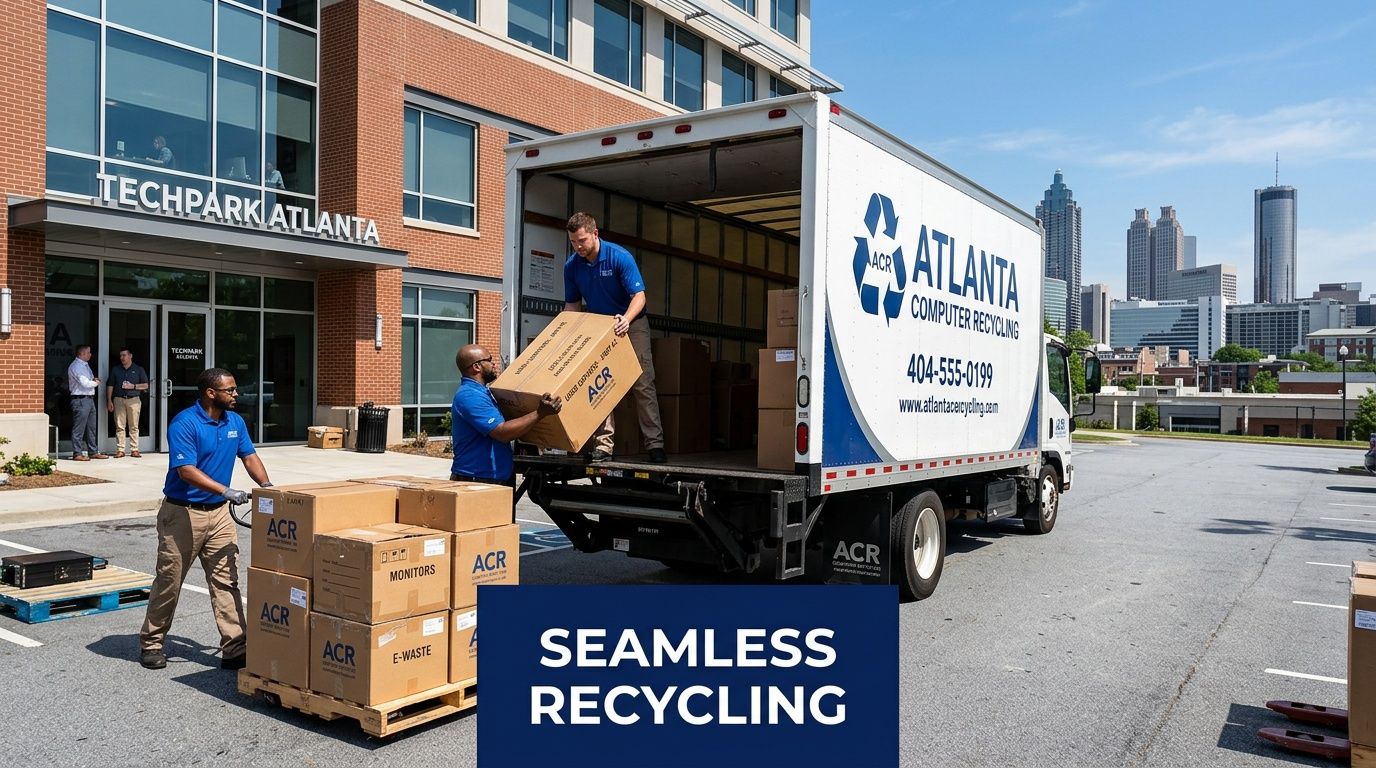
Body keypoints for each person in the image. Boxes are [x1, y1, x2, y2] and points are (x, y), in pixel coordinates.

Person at [138, 367, 272, 671]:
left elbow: (249, 456)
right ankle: (152, 642)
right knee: (170, 581)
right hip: (182, 514)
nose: (236, 394)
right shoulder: (185, 423)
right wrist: (226, 490)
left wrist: (268, 488)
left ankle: (235, 647)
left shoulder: (234, 422)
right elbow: (186, 471)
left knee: (227, 580)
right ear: (211, 393)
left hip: (220, 515)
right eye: (231, 390)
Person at [564, 212, 666, 463]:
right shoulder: (572, 266)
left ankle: (655, 444)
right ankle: (604, 446)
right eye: (574, 242)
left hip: (632, 324)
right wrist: (565, 335)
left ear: (595, 234)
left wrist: (626, 319)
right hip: (599, 328)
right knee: (601, 385)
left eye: (582, 240)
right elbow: (572, 305)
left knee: (643, 383)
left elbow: (639, 296)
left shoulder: (619, 257)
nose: (578, 247)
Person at [450, 343, 560, 485]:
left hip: (491, 476)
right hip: (477, 479)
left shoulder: (483, 392)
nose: (494, 363)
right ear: (476, 367)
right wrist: (540, 413)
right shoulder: (470, 396)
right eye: (489, 360)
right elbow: (501, 433)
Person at [66, 344, 107, 461]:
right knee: (79, 428)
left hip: (88, 399)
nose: (90, 354)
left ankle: (93, 451)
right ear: (82, 353)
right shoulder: (76, 366)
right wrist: (96, 382)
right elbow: (85, 383)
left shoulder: (85, 366)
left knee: (91, 427)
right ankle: (77, 453)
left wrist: (92, 381)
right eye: (88, 352)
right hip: (80, 399)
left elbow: (88, 380)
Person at [106, 348, 149, 458]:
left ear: (130, 356)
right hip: (119, 399)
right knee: (120, 426)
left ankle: (134, 449)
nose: (122, 358)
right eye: (121, 356)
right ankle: (120, 450)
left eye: (124, 355)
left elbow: (146, 385)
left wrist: (133, 386)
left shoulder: (139, 369)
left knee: (133, 425)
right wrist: (109, 400)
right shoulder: (116, 370)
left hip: (134, 400)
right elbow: (110, 385)